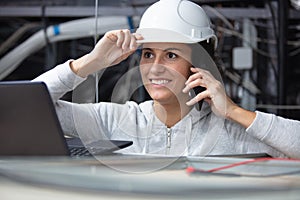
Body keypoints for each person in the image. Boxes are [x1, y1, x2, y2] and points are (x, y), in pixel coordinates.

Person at [33, 0, 300, 158]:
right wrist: (90, 63)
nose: (155, 68)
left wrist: (233, 111)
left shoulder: (232, 131)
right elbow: (22, 109)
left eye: (171, 55)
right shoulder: (115, 120)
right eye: (148, 54)